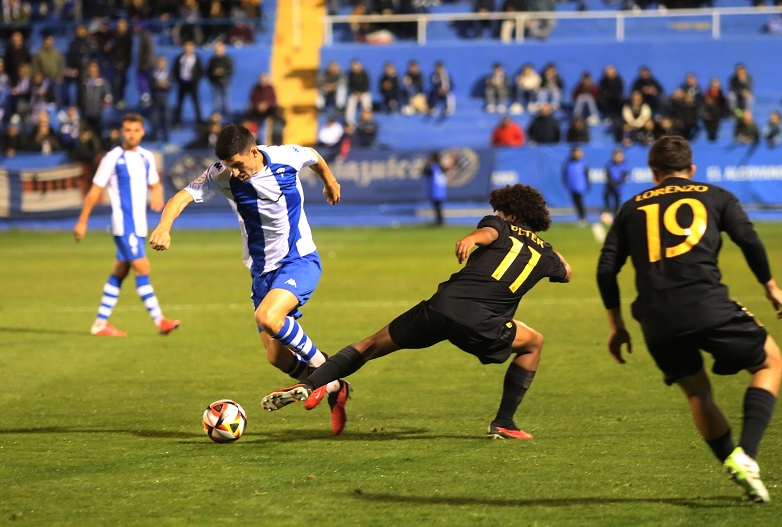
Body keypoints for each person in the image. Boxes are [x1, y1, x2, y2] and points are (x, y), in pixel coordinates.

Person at [261, 183, 572, 440]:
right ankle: (504, 422)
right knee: (533, 342)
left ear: (512, 215)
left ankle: (311, 383)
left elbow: (488, 232)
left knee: (368, 346)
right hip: (483, 324)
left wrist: (470, 238)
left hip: (440, 308)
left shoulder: (499, 225)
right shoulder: (546, 255)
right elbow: (567, 272)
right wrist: (549, 250)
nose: (496, 215)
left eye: (500, 211)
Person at [596, 136, 782, 504]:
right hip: (708, 306)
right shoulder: (716, 195)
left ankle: (735, 466)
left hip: (656, 321)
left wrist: (616, 325)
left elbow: (606, 271)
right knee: (770, 361)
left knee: (698, 393)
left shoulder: (631, 207)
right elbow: (748, 239)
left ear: (654, 172)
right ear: (692, 168)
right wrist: (771, 287)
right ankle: (746, 454)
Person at [148, 124, 350, 435]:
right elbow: (182, 197)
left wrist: (331, 181)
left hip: (299, 260)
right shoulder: (221, 174)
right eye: (230, 166)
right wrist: (164, 226)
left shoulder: (286, 157)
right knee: (276, 356)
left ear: (254, 152)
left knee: (268, 317)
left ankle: (323, 374)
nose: (235, 172)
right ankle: (336, 387)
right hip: (262, 273)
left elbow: (313, 156)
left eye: (238, 164)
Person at [74, 114, 180, 338]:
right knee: (143, 268)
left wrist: (158, 193)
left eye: (136, 130)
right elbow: (95, 191)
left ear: (142, 132)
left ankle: (100, 323)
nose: (131, 134)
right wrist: (82, 221)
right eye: (127, 130)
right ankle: (160, 320)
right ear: (122, 132)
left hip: (139, 225)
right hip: (124, 225)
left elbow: (155, 183)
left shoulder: (146, 157)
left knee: (119, 272)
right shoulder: (112, 158)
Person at [562, 146, 589, 224]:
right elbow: (565, 174)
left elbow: (586, 175)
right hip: (572, 186)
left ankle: (583, 217)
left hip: (580, 186)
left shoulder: (583, 163)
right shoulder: (568, 163)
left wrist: (586, 184)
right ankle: (581, 217)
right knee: (576, 202)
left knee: (580, 202)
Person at [424, 151, 447, 226]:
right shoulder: (439, 167)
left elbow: (424, 172)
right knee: (438, 207)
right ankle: (439, 221)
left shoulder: (432, 167)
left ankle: (439, 222)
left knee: (437, 207)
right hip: (440, 190)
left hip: (435, 191)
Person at [603, 148, 628, 213]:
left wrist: (617, 184)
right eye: (617, 156)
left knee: (617, 202)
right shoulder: (609, 165)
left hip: (618, 188)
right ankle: (608, 213)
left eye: (620, 156)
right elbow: (608, 175)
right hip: (610, 186)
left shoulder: (624, 166)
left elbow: (623, 177)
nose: (619, 158)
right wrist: (612, 184)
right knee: (606, 198)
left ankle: (616, 216)